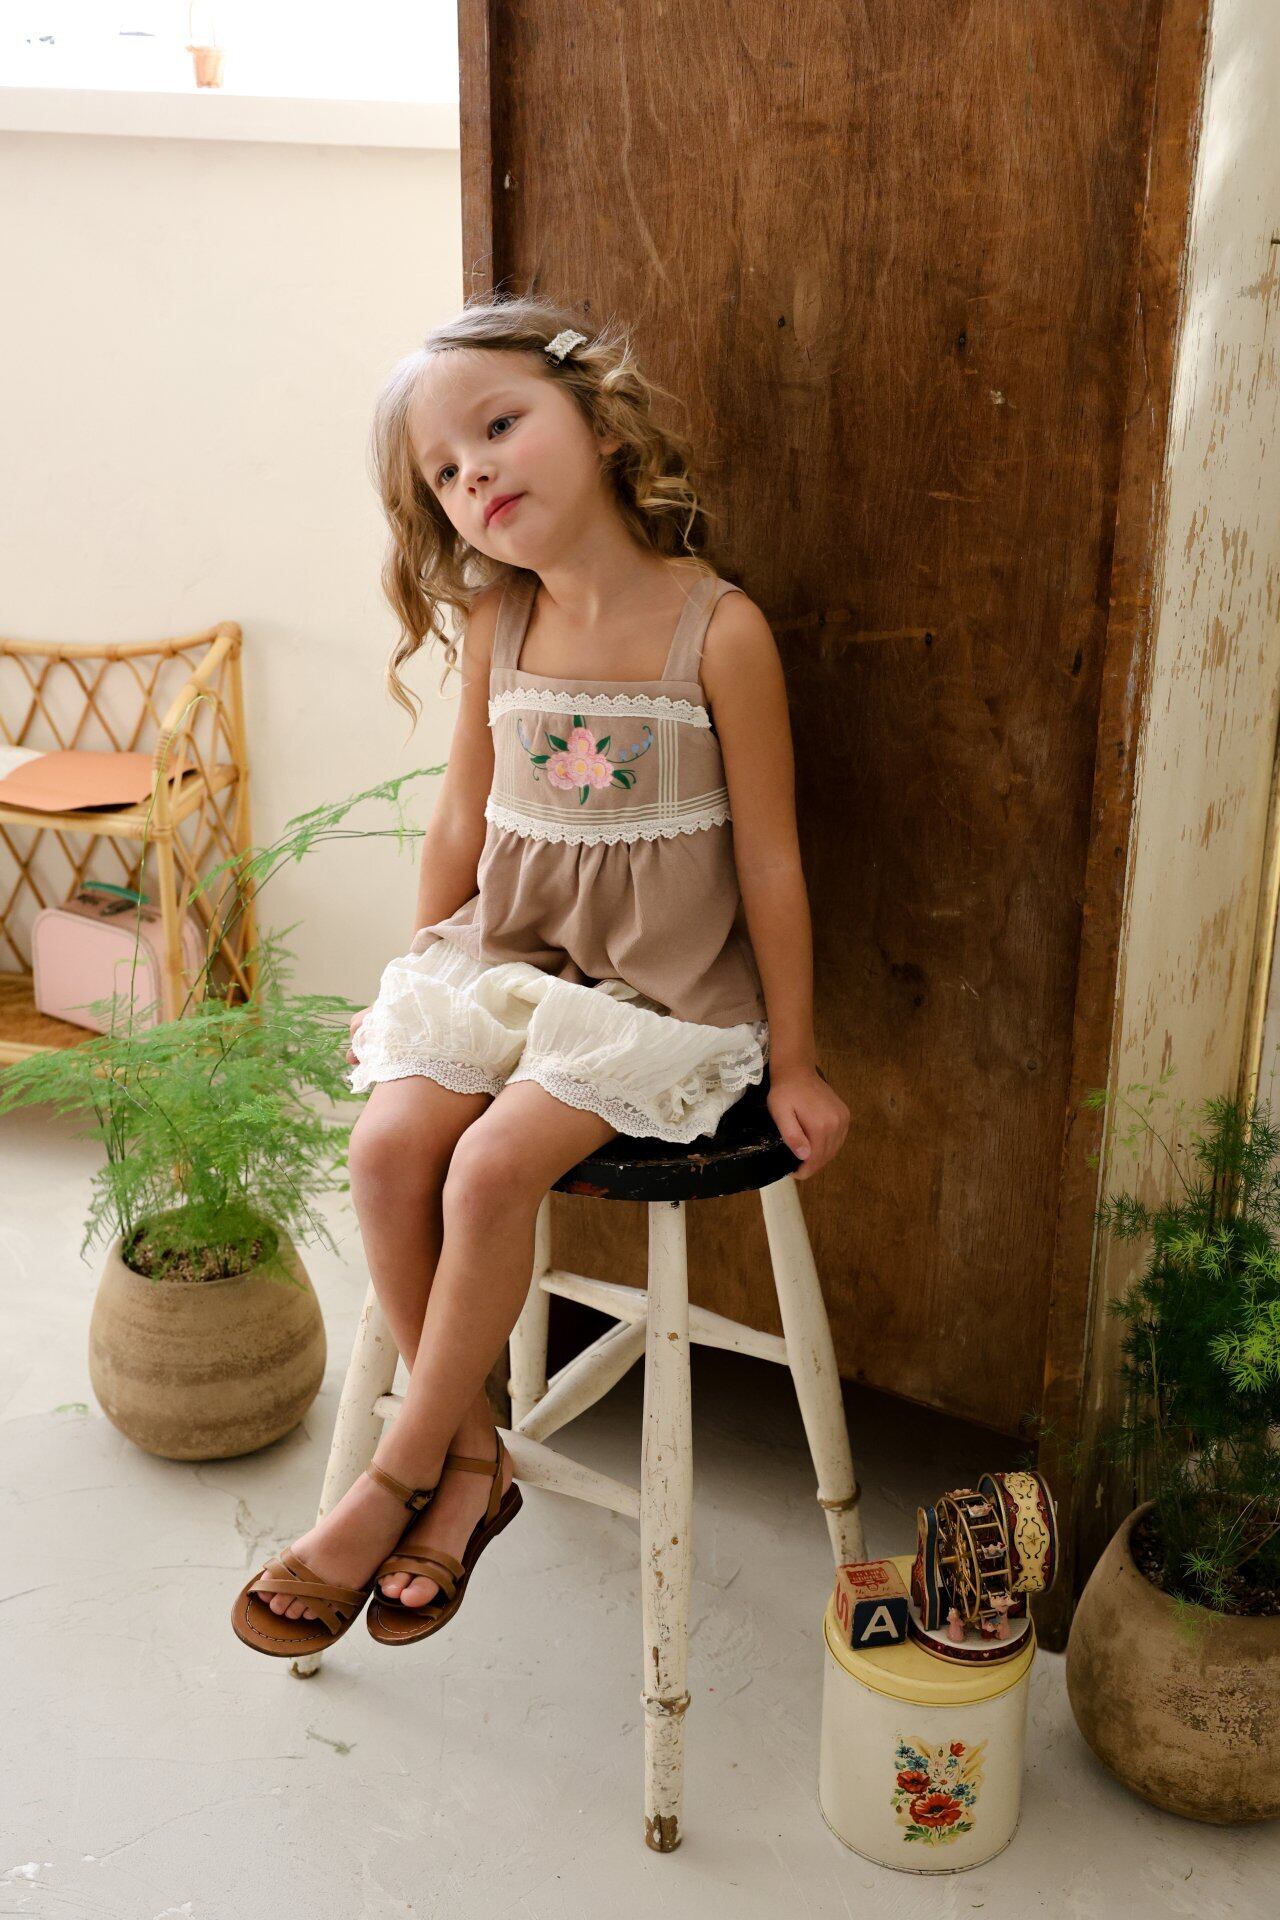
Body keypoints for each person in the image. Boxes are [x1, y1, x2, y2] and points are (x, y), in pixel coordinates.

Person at [232, 293, 849, 1657]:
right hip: (507, 951)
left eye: (500, 427)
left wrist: (796, 1058)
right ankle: (474, 1455)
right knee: (389, 1148)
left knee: (488, 1170)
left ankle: (400, 1477)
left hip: (657, 991)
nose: (476, 475)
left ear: (601, 421)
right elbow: (461, 818)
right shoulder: (498, 620)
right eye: (445, 471)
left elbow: (771, 860)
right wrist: (422, 971)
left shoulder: (716, 630)